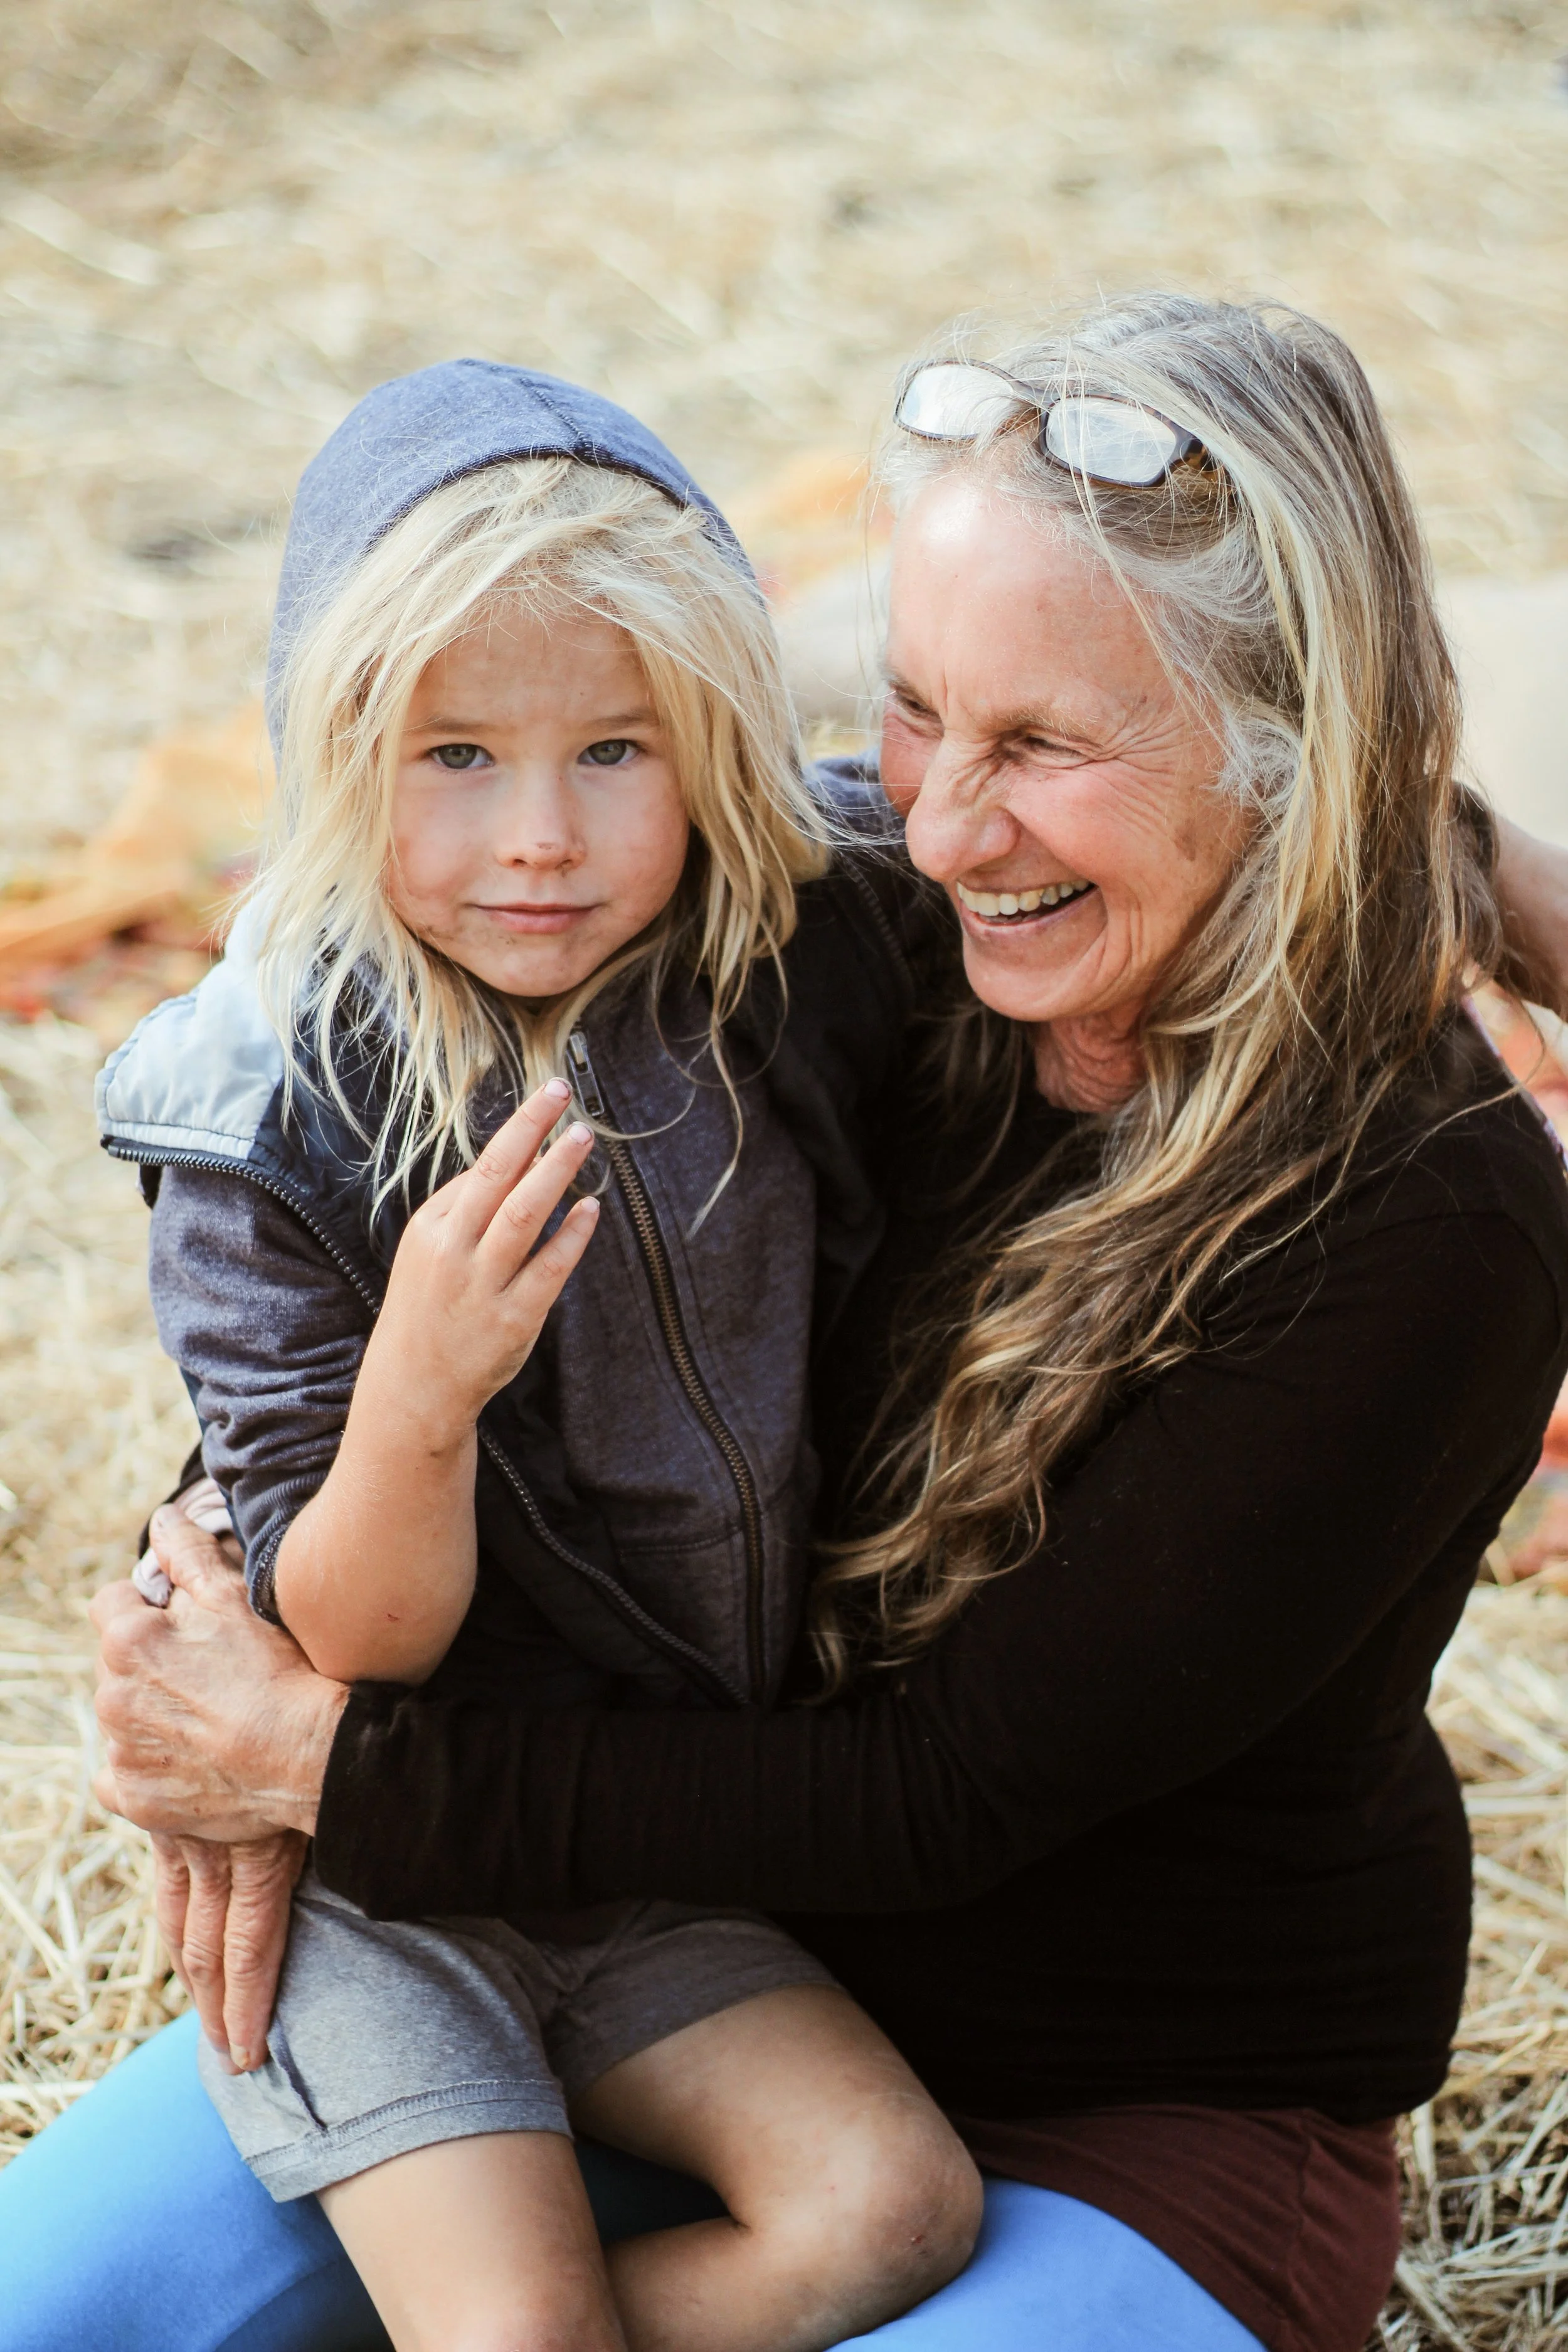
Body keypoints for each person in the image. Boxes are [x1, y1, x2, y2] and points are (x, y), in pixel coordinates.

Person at [10, 292, 1568, 2352]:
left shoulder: (1426, 1210)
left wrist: (327, 1761)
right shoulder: (862, 925)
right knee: (64, 2307)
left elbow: (942, 1792)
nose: (932, 823)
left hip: (1128, 2100)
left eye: (1038, 744)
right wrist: (216, 1571)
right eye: (918, 710)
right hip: (663, 1951)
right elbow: (349, 1181)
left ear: (1295, 756)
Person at [82, 360, 982, 2352]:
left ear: (711, 744)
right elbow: (352, 1640)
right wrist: (421, 1387)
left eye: (614, 749)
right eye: (457, 758)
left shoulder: (791, 940)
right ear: (335, 754)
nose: (543, 839)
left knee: (895, 2205)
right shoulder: (270, 1112)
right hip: (364, 1876)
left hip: (639, 1844)